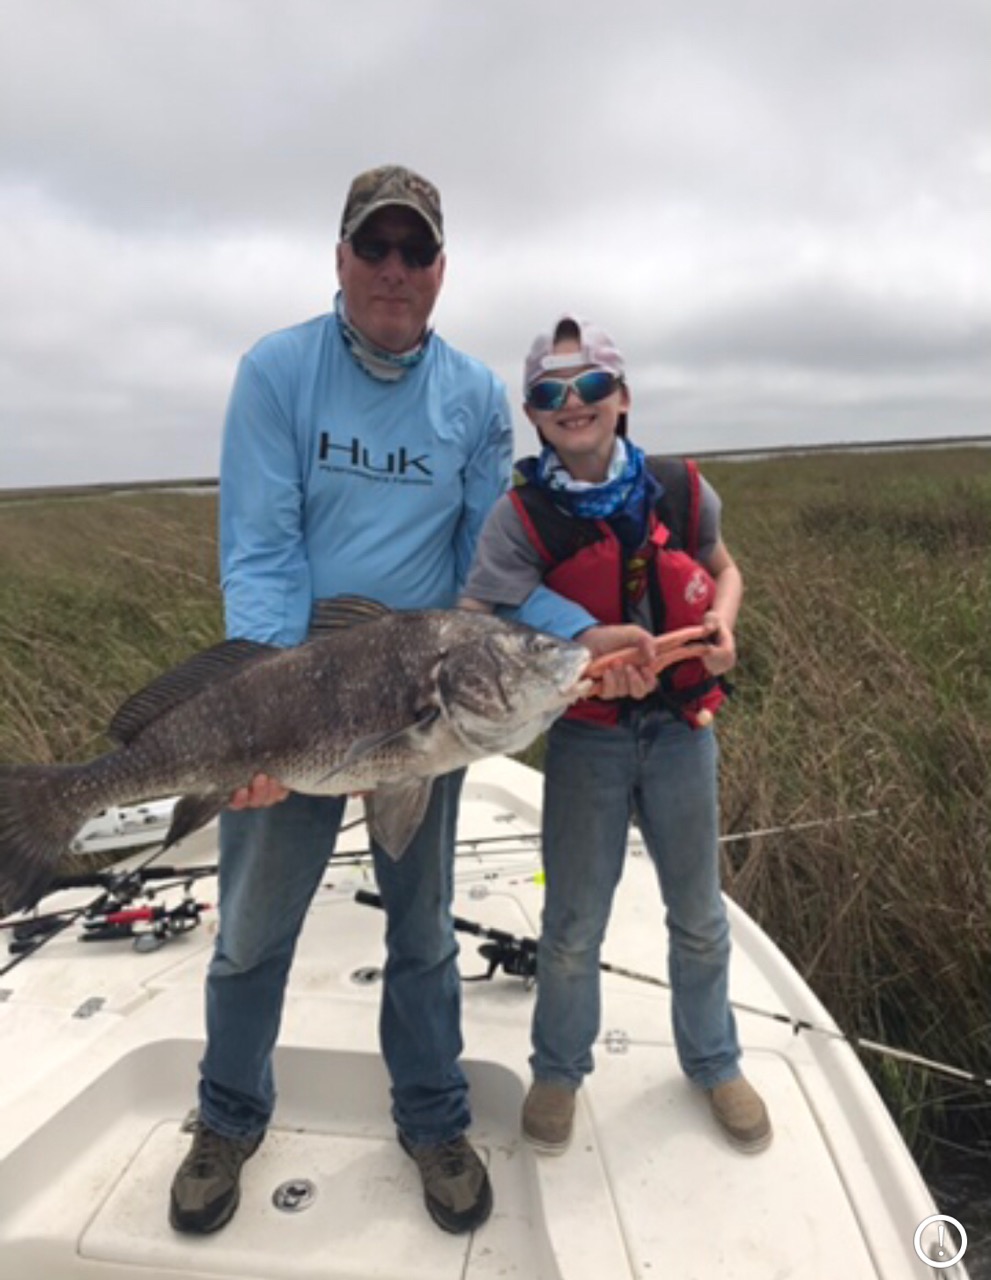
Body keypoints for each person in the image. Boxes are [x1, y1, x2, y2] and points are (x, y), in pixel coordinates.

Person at [168, 164, 521, 1238]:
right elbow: (263, 548)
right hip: (294, 698)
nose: (394, 271)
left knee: (422, 933)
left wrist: (558, 648)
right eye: (376, 247)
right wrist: (265, 722)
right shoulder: (278, 372)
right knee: (249, 935)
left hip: (424, 707)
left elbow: (486, 565)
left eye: (416, 252)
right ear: (340, 258)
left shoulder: (475, 396)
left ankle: (433, 1116)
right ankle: (227, 1114)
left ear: (441, 270)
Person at [460, 314, 772, 1157]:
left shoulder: (679, 488)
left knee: (699, 915)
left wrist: (726, 629)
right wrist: (583, 640)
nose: (574, 403)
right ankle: (558, 1072)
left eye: (591, 385)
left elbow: (722, 567)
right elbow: (479, 614)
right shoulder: (518, 519)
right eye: (550, 393)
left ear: (622, 398)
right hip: (587, 737)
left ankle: (714, 1062)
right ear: (532, 414)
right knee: (569, 926)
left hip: (680, 729)